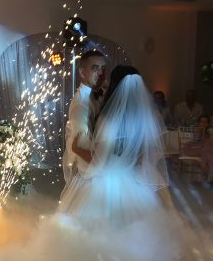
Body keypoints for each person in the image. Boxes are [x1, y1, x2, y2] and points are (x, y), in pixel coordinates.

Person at [58, 65, 171, 227]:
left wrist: (76, 149)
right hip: (133, 180)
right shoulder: (144, 118)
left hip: (106, 185)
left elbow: (97, 161)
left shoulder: (109, 120)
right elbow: (143, 156)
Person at [62, 49, 107, 185]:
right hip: (92, 177)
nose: (101, 74)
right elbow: (81, 148)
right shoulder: (81, 104)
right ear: (82, 73)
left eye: (103, 68)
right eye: (95, 68)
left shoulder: (94, 96)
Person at [180, 114, 213, 182]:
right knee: (210, 151)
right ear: (199, 123)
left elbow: (206, 140)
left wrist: (206, 135)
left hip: (203, 147)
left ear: (208, 124)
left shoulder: (207, 131)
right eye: (201, 122)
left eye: (205, 122)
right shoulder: (198, 130)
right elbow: (196, 141)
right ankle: (206, 173)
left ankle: (207, 174)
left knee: (212, 151)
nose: (203, 123)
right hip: (196, 147)